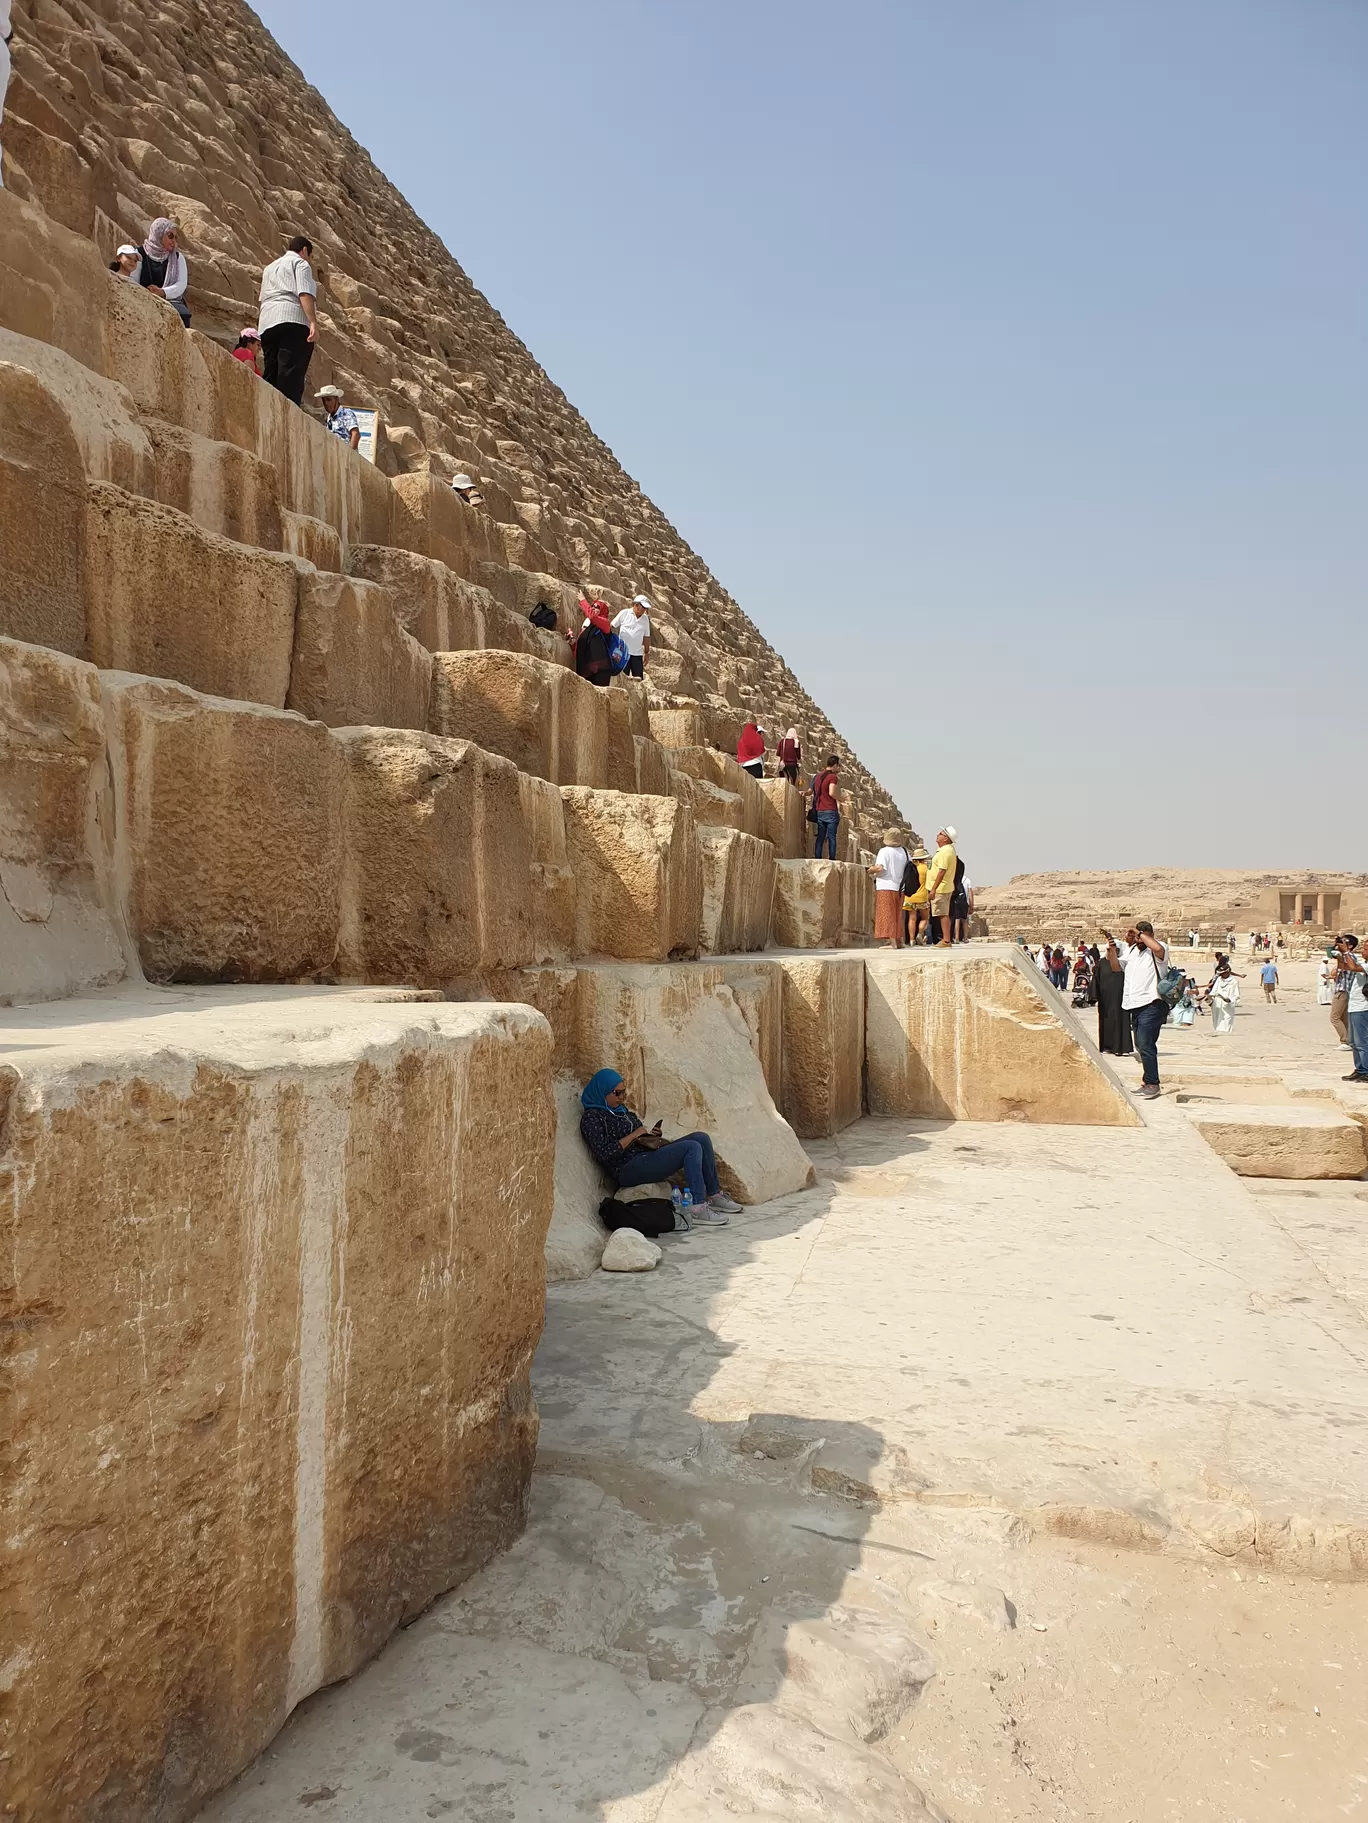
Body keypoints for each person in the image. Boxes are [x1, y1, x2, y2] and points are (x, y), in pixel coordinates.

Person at [578, 1070, 742, 1222]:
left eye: (623, 1092)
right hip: (627, 1168)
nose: (622, 1097)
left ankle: (714, 1195)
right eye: (617, 1093)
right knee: (691, 1148)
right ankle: (697, 1207)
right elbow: (603, 1153)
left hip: (645, 1155)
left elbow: (638, 1136)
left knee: (701, 1138)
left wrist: (652, 1135)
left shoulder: (621, 1110)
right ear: (602, 1091)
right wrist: (634, 1135)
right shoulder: (592, 1117)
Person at [1107, 921, 1169, 1098]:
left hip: (1152, 1003)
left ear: (1149, 934)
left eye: (1142, 934)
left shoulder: (1158, 948)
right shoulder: (1132, 951)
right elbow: (1116, 967)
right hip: (1134, 1004)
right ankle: (1148, 1079)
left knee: (1144, 1043)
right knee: (1142, 1044)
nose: (1137, 937)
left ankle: (1152, 1083)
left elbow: (1158, 949)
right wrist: (1111, 952)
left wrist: (1140, 933)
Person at [258, 236, 318, 404]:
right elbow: (304, 293)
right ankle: (288, 412)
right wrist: (312, 321)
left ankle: (268, 407)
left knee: (271, 370)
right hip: (292, 319)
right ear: (305, 250)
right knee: (290, 371)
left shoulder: (269, 268)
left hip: (267, 322)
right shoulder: (300, 264)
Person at [137, 217, 190, 325]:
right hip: (143, 298)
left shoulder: (178, 258)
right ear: (159, 234)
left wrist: (163, 292)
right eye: (170, 236)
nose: (173, 241)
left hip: (171, 301)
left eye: (175, 237)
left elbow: (181, 284)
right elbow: (133, 279)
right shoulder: (138, 254)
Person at [868, 828, 910, 948]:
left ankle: (892, 943)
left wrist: (871, 870)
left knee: (887, 914)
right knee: (898, 915)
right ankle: (899, 941)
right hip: (900, 887)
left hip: (886, 886)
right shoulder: (904, 852)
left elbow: (880, 868)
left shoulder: (884, 851)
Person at [1094, 941, 1132, 1056]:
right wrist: (1094, 995)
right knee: (1107, 1022)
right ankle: (1108, 1047)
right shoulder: (1101, 963)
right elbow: (1096, 980)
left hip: (1121, 998)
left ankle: (1122, 1048)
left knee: (1122, 1021)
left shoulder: (1124, 963)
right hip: (1106, 1000)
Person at [568, 596, 614, 687]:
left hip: (600, 672)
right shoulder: (587, 628)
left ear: (603, 610)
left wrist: (582, 600)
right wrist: (573, 643)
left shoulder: (605, 624)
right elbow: (581, 646)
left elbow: (592, 617)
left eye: (597, 607)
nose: (593, 607)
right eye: (592, 606)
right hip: (585, 670)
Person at [925, 827, 958, 948]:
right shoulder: (946, 850)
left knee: (943, 914)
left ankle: (946, 940)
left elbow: (941, 871)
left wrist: (933, 889)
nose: (937, 834)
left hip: (941, 888)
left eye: (941, 833)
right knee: (941, 913)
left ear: (946, 838)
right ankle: (945, 939)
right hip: (943, 887)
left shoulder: (945, 852)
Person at [1341, 938, 1368, 1083]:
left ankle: (1366, 1071)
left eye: (1365, 949)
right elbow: (1345, 967)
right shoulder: (1364, 964)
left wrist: (1346, 951)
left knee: (1362, 1042)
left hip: (1363, 1007)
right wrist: (1340, 955)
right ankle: (1360, 1069)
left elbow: (1352, 967)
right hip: (1354, 1006)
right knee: (1353, 1042)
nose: (1362, 952)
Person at [611, 595, 651, 679]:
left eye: (645, 608)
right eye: (643, 607)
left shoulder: (645, 619)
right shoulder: (624, 613)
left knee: (638, 679)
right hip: (622, 652)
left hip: (637, 654)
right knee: (621, 677)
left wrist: (647, 652)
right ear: (636, 605)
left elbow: (646, 636)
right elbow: (612, 626)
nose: (644, 610)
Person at [811, 756, 840, 860]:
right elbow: (831, 793)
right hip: (830, 810)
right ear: (835, 765)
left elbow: (810, 791)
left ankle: (817, 857)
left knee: (820, 837)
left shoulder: (817, 777)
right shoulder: (833, 777)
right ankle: (832, 858)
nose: (839, 769)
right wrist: (841, 798)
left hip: (819, 810)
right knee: (832, 836)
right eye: (838, 766)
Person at [1332, 935, 1358, 1050]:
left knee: (1334, 1018)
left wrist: (1339, 956)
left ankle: (1345, 1041)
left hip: (1342, 990)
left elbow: (1344, 968)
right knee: (1343, 1018)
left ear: (1350, 946)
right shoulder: (1348, 956)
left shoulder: (1348, 957)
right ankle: (1349, 1040)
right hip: (1346, 990)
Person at [316, 383, 360, 449]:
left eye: (329, 400)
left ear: (336, 399)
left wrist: (349, 455)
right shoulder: (329, 418)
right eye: (324, 401)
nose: (326, 403)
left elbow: (355, 434)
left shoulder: (346, 413)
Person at [902, 844, 931, 945]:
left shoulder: (911, 867)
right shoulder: (926, 869)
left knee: (912, 918)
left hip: (909, 897)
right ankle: (919, 933)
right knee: (924, 918)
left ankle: (911, 940)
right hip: (922, 897)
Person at [1210, 960, 1240, 1034]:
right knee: (1217, 1018)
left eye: (1223, 973)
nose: (1221, 975)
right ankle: (1217, 1031)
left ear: (1228, 972)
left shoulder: (1234, 981)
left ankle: (1225, 1033)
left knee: (1227, 1018)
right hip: (1217, 1002)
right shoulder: (1219, 980)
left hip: (1228, 1003)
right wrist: (1209, 997)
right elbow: (1214, 990)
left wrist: (1230, 1000)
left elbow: (1236, 995)